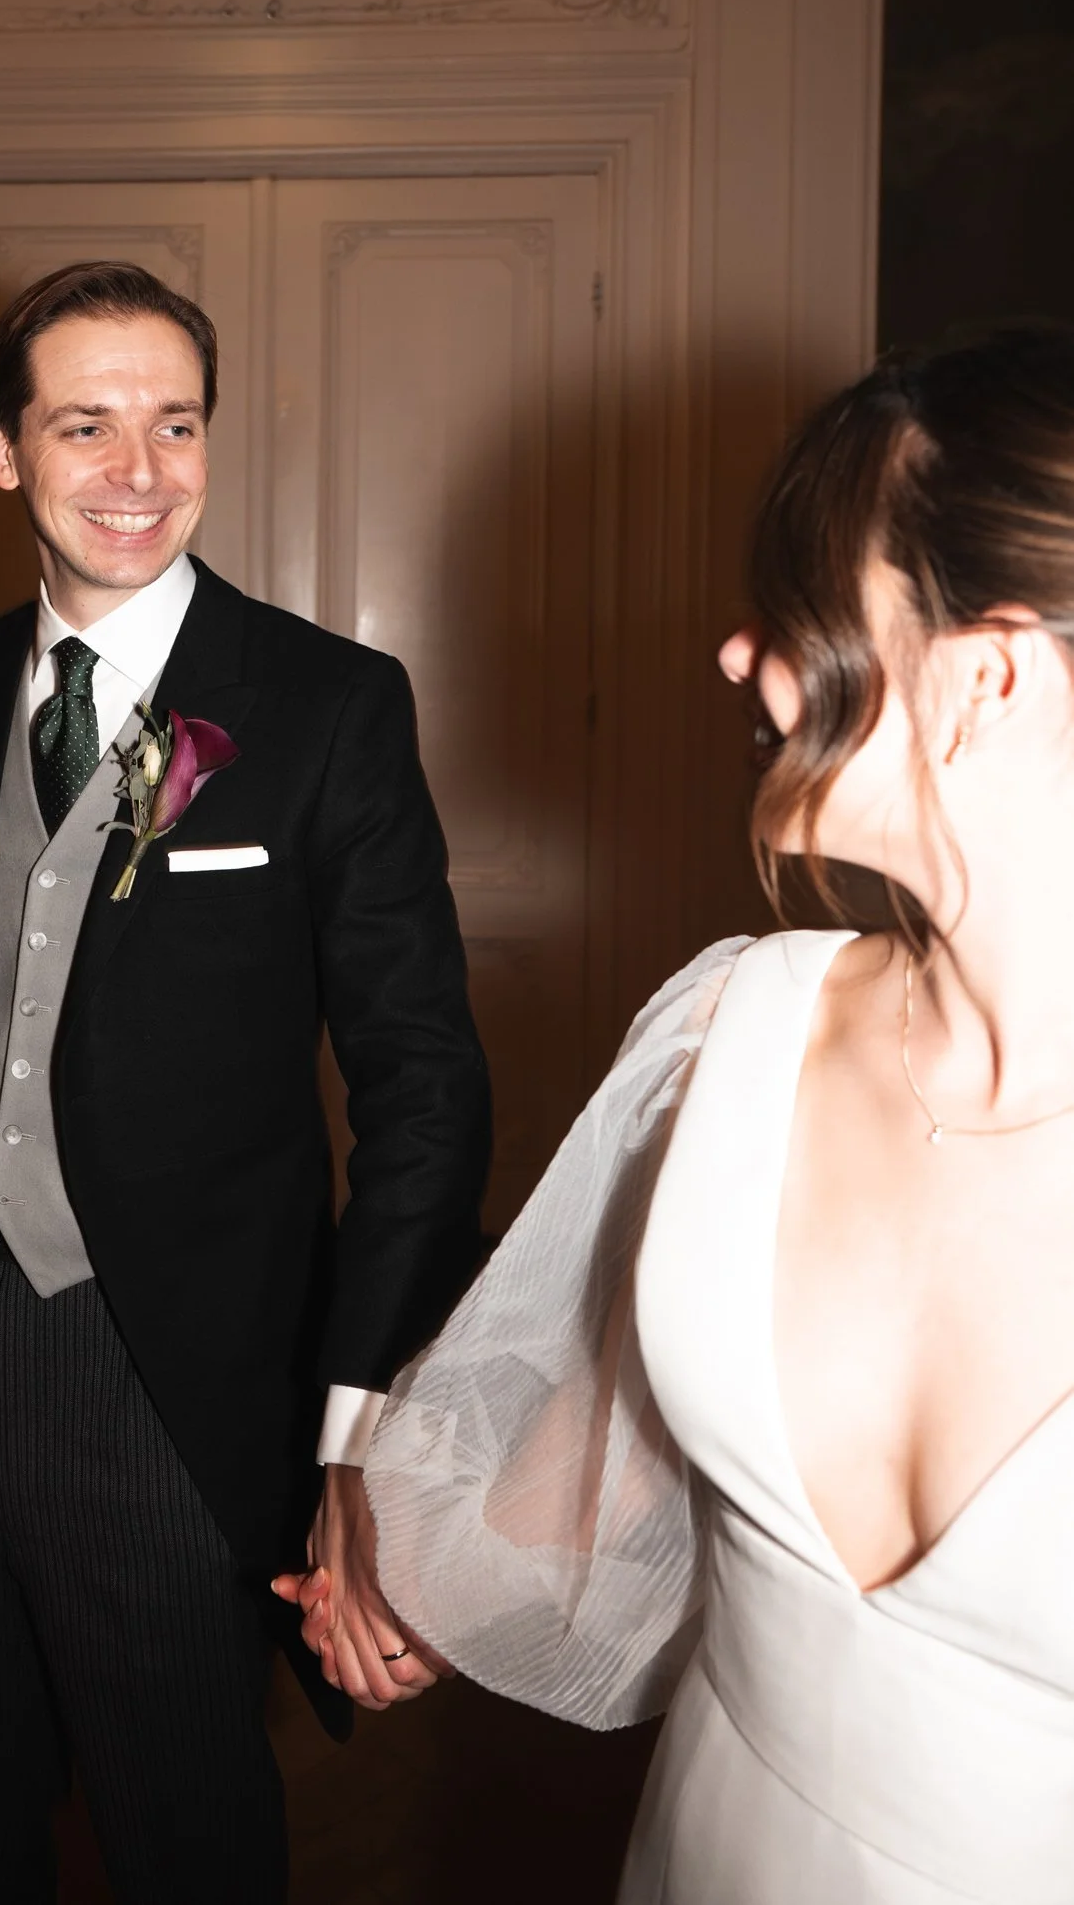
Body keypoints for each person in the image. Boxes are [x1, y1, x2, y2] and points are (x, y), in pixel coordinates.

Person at [337, 323, 1074, 1901]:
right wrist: (395, 1577)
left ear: (985, 671)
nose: (741, 656)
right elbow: (618, 1441)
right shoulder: (733, 1030)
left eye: (800, 611)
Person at [0, 260, 491, 1903]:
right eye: (87, 424)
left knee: (178, 1816)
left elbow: (425, 1091)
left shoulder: (330, 705)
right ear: (3, 453)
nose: (139, 471)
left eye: (174, 424)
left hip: (176, 1360)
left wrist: (355, 1432)